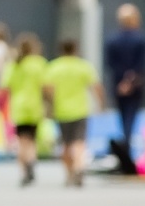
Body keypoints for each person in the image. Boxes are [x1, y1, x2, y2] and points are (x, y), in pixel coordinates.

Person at [44, 37, 103, 187]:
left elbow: (48, 90)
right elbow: (95, 86)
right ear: (75, 49)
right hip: (80, 110)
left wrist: (50, 106)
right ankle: (79, 167)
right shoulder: (83, 66)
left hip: (61, 110)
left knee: (65, 144)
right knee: (79, 143)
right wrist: (101, 103)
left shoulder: (54, 67)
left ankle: (69, 173)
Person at [105, 2, 145, 175]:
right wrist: (130, 81)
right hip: (135, 85)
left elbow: (110, 64)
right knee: (131, 117)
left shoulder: (112, 40)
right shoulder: (141, 39)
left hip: (118, 85)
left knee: (123, 117)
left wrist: (122, 82)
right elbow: (142, 64)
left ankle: (125, 146)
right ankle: (127, 148)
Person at [4, 32, 47, 186]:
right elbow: (45, 85)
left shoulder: (14, 65)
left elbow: (6, 85)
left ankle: (24, 170)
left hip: (19, 106)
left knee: (22, 141)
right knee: (32, 140)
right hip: (34, 106)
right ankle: (31, 163)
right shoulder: (38, 63)